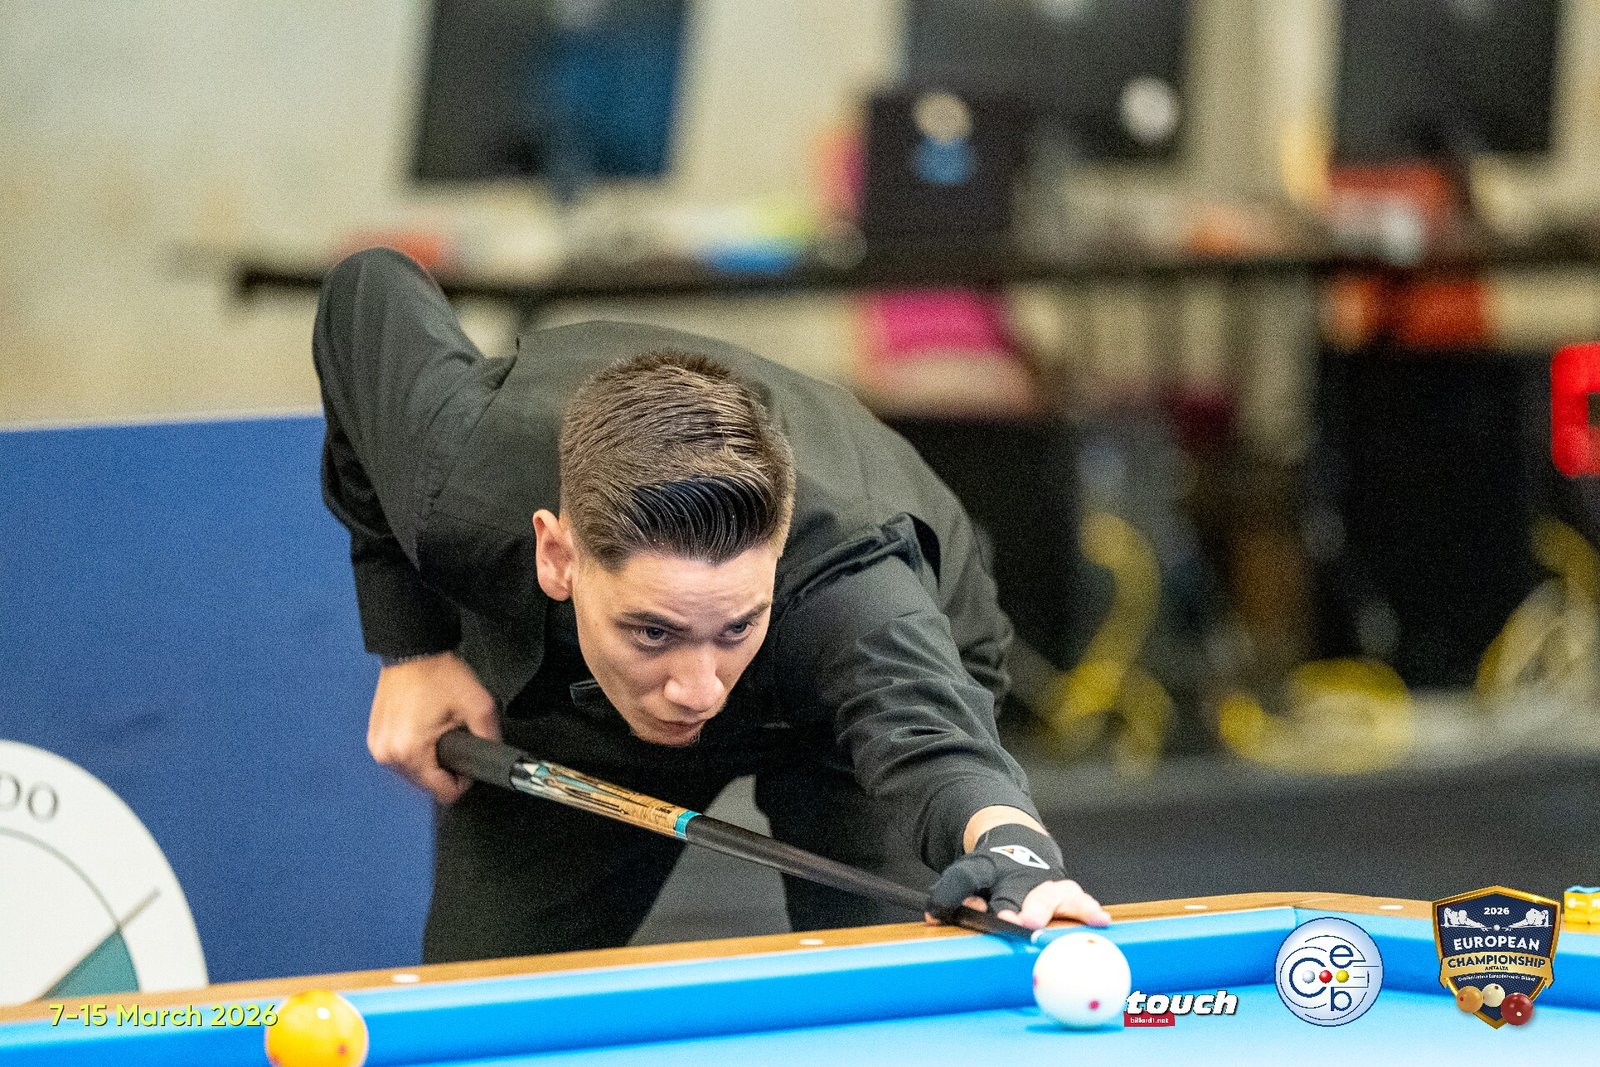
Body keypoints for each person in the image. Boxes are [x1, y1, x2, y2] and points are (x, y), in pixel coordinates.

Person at [314, 247, 1109, 963]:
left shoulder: (851, 592)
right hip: (586, 718)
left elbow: (932, 740)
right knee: (485, 1004)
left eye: (735, 626)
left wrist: (1013, 846)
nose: (698, 688)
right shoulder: (456, 478)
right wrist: (412, 646)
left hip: (842, 717)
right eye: (651, 631)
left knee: (891, 989)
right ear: (557, 555)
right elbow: (365, 290)